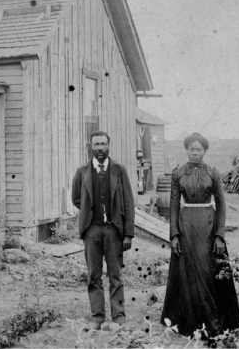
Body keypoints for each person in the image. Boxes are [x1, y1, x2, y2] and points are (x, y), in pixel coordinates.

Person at [161, 132, 239, 338]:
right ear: (186, 150)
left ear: (204, 151)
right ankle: (189, 322)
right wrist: (174, 235)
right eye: (191, 149)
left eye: (198, 149)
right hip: (186, 225)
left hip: (208, 225)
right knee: (188, 273)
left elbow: (221, 204)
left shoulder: (213, 172)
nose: (194, 152)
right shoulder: (178, 173)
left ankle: (214, 321)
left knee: (209, 271)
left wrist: (220, 235)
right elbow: (173, 205)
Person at [71, 131, 135, 329]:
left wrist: (128, 233)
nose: (100, 148)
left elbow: (128, 203)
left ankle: (119, 315)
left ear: (109, 146)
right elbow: (76, 198)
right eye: (96, 144)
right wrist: (90, 214)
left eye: (103, 144)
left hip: (113, 230)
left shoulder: (119, 170)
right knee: (93, 275)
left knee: (115, 274)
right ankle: (97, 316)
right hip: (92, 231)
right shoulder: (82, 171)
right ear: (90, 146)